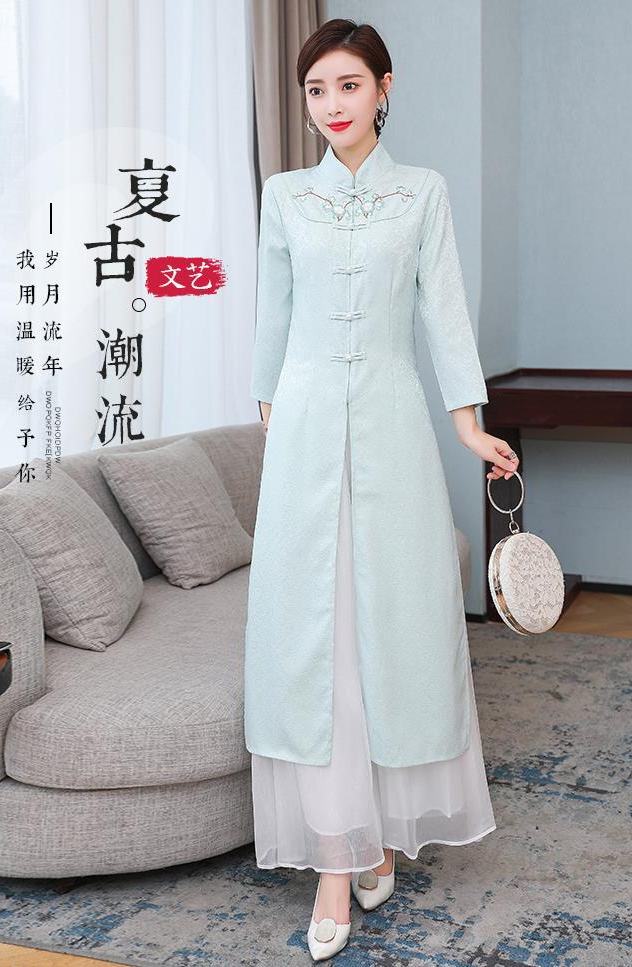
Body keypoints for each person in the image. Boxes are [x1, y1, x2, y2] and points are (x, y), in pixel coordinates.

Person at [244, 18, 520, 961]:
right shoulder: (285, 196)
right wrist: (273, 416)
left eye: (349, 85)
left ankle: (376, 836)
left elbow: (444, 311)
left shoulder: (423, 193)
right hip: (306, 433)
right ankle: (336, 858)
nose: (332, 105)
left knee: (389, 634)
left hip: (397, 429)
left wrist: (469, 425)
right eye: (316, 89)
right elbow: (272, 318)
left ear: (385, 89)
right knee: (314, 641)